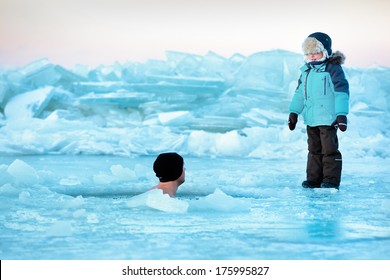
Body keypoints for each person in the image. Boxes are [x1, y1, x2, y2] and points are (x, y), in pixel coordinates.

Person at [288, 32, 350, 190]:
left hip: (329, 119)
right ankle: (313, 180)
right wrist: (294, 112)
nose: (312, 56)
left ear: (326, 51)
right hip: (311, 119)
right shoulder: (306, 72)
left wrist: (341, 114)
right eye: (308, 53)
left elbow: (341, 91)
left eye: (316, 52)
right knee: (313, 151)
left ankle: (331, 181)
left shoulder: (333, 69)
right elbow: (299, 93)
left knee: (330, 151)